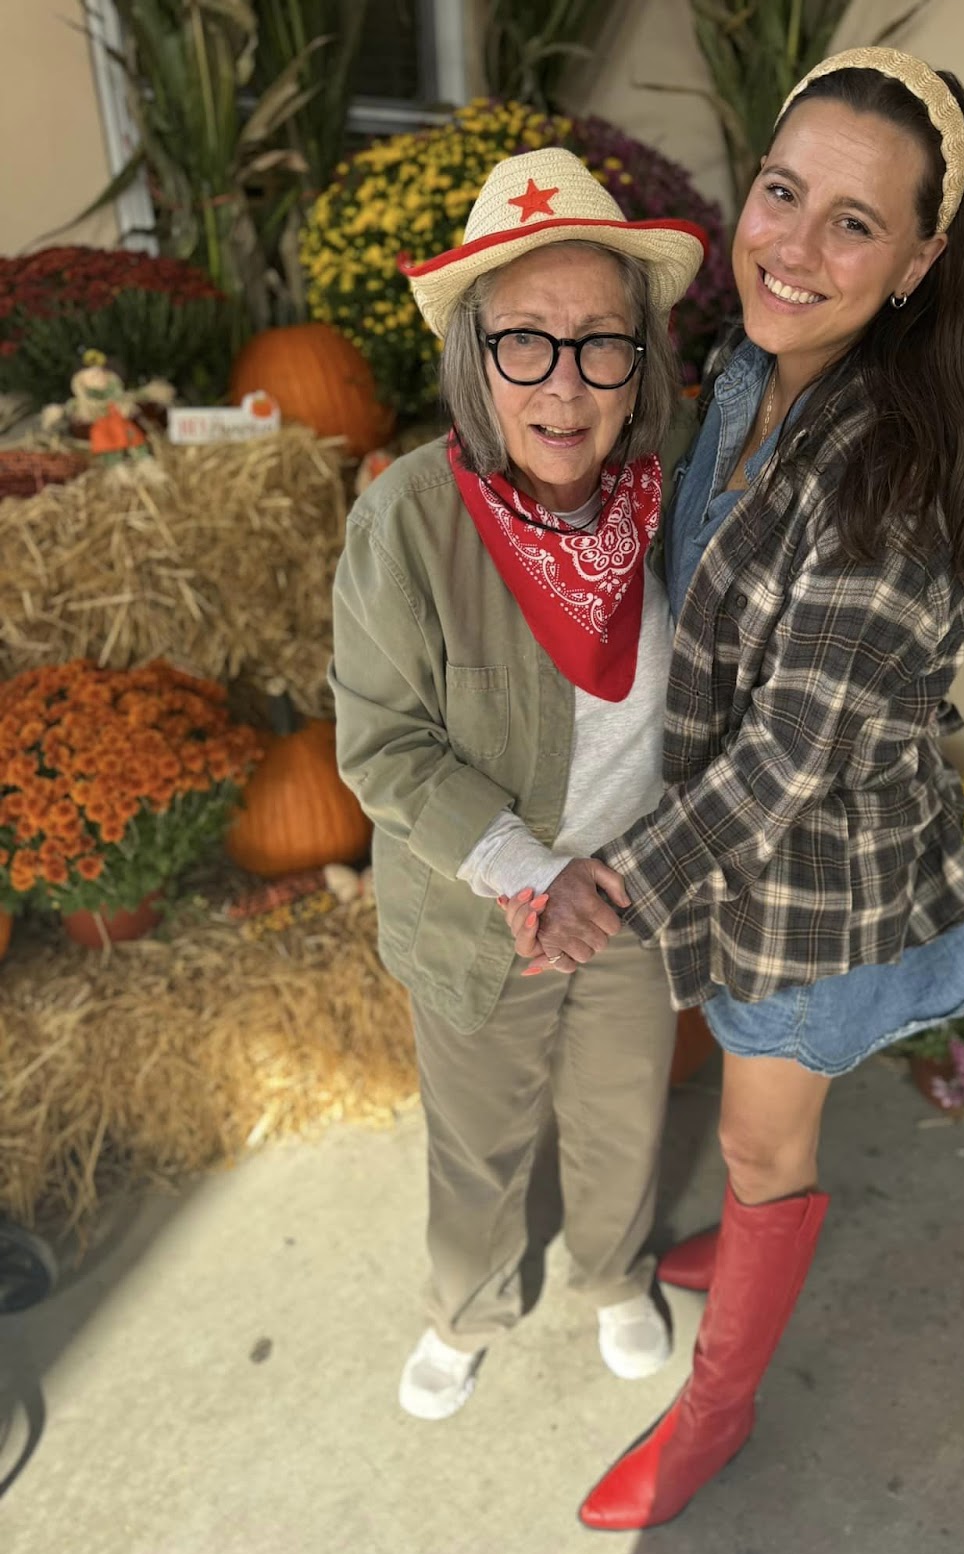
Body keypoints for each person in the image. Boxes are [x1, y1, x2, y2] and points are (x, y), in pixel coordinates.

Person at [505, 47, 964, 1527]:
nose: (791, 245)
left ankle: (715, 1413)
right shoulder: (750, 364)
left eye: (853, 225)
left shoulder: (895, 473)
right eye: (783, 192)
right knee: (746, 1114)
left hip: (809, 882)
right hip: (723, 841)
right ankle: (744, 1235)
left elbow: (792, 756)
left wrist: (609, 887)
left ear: (922, 260)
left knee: (758, 1132)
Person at [330, 150, 706, 1421]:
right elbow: (383, 746)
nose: (565, 384)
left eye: (601, 344)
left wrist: (610, 882)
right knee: (479, 1141)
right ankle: (468, 1306)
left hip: (632, 896)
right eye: (525, 345)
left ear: (639, 366)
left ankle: (609, 1273)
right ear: (474, 360)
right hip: (481, 908)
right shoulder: (407, 523)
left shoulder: (668, 501)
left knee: (618, 1114)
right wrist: (531, 876)